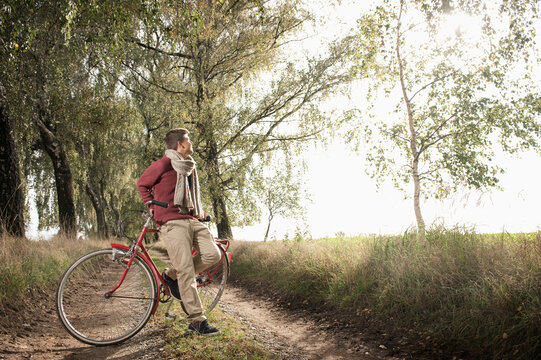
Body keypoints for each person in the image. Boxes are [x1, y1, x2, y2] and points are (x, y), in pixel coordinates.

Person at [137, 128, 222, 336]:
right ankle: (197, 321)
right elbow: (143, 184)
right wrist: (151, 205)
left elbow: (188, 196)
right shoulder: (165, 163)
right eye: (189, 140)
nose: (192, 143)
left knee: (213, 254)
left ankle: (170, 276)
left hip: (191, 219)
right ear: (180, 145)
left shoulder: (188, 166)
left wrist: (199, 212)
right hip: (171, 222)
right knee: (186, 270)